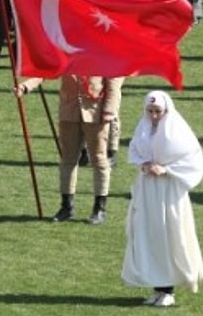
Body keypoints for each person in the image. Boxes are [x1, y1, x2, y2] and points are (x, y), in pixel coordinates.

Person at [122, 91, 203, 307]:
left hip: (169, 192)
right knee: (150, 235)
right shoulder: (143, 128)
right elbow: (134, 150)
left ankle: (169, 289)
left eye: (158, 111)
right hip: (148, 189)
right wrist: (145, 164)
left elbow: (192, 160)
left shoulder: (178, 130)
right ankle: (158, 288)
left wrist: (167, 169)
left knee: (169, 235)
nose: (154, 115)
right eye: (150, 111)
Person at [15, 70, 123, 225]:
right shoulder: (66, 49)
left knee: (99, 161)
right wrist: (25, 86)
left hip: (96, 113)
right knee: (67, 160)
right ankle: (66, 207)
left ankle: (99, 209)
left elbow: (114, 82)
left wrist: (109, 111)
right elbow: (47, 70)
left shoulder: (102, 51)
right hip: (69, 112)